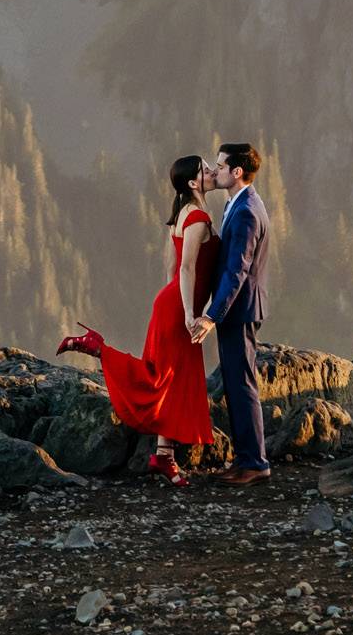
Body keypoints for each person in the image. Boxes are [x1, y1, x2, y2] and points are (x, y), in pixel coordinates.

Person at [55, 154, 219, 485]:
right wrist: (190, 312)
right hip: (179, 309)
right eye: (204, 170)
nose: (211, 172)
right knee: (159, 378)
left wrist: (178, 302)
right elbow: (185, 268)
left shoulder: (182, 213)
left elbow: (171, 267)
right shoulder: (198, 216)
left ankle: (164, 457)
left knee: (174, 380)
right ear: (192, 183)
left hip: (172, 302)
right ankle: (96, 348)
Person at [190, 141, 271, 485]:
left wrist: (212, 314)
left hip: (239, 310)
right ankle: (245, 460)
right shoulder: (238, 205)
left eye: (221, 166)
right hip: (238, 309)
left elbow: (237, 269)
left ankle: (254, 462)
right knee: (236, 383)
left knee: (241, 385)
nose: (216, 170)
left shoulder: (247, 211)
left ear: (237, 172)